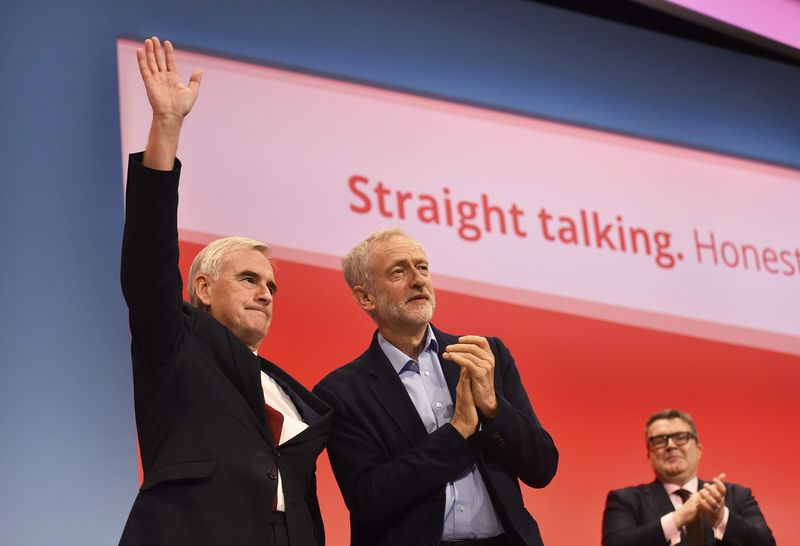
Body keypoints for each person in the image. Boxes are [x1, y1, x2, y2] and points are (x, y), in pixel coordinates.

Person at [119, 37, 330, 546]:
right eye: (249, 279)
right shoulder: (176, 344)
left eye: (272, 285)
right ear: (204, 289)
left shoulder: (293, 394)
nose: (266, 293)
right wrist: (166, 127)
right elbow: (148, 265)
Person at [313, 227, 558, 546]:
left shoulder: (485, 355)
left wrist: (494, 407)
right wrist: (457, 434)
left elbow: (542, 468)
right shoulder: (341, 392)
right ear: (365, 296)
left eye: (423, 267)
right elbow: (369, 501)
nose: (418, 280)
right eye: (399, 271)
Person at [601, 408, 775, 546]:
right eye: (660, 440)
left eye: (680, 437)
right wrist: (679, 517)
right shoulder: (625, 500)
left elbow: (766, 543)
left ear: (699, 450)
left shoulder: (737, 495)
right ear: (649, 454)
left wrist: (721, 517)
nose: (670, 445)